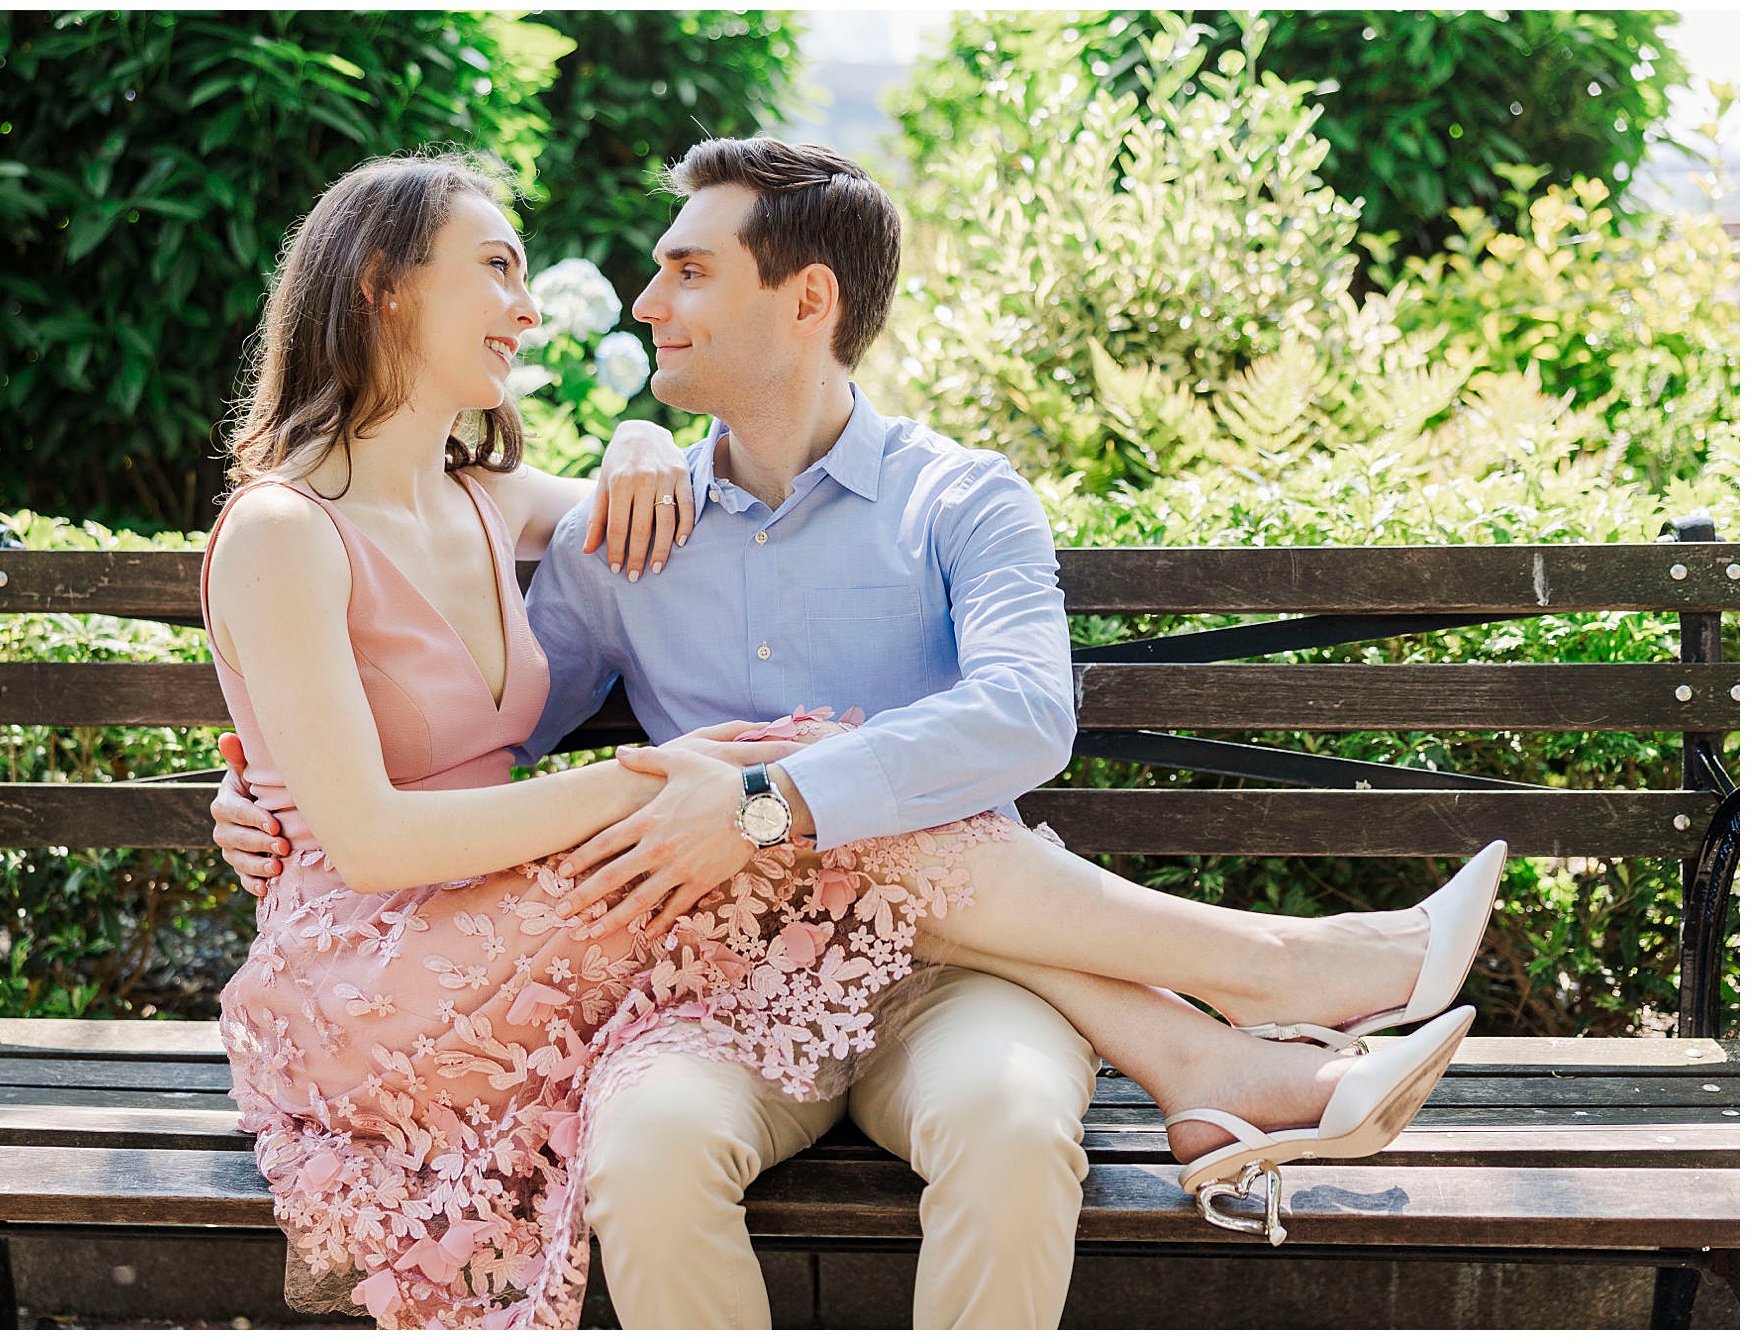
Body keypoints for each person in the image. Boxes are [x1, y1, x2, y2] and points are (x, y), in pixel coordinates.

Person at [206, 143, 1499, 1331]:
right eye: (503, 270)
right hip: (705, 976)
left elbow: (1023, 716)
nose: (632, 304)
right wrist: (281, 804)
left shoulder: (954, 499)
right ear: (383, 290)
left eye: (687, 272)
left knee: (1001, 1111)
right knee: (649, 1143)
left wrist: (767, 797)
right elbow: (451, 754)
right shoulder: (612, 533)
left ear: (808, 300)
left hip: (972, 969)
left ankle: (1242, 1030)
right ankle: (1263, 1003)